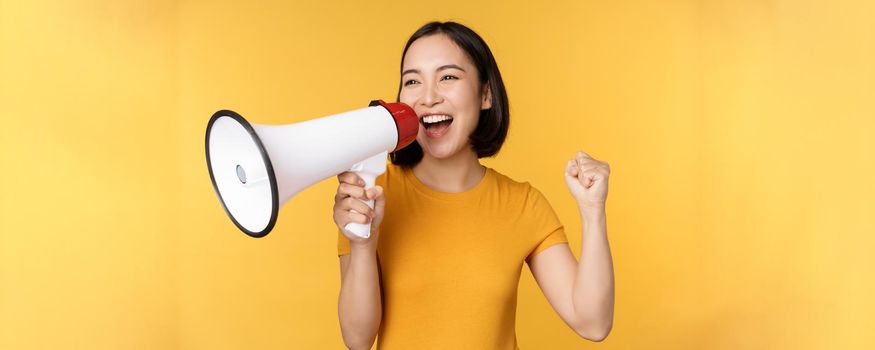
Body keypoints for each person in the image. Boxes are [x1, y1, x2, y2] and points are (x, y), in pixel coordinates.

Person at [333, 21, 614, 350]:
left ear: (485, 95)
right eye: (412, 81)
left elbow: (592, 322)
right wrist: (363, 242)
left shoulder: (522, 204)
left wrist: (593, 210)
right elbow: (357, 340)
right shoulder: (369, 194)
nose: (428, 97)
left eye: (448, 77)